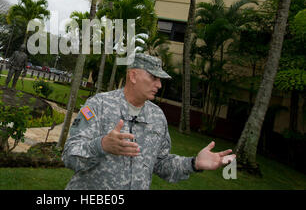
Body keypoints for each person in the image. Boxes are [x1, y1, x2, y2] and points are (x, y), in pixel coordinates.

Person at [62, 53, 236, 190]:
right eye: (154, 77)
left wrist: (193, 163)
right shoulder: (98, 105)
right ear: (133, 76)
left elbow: (161, 163)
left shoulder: (157, 117)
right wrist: (102, 145)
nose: (159, 85)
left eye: (160, 80)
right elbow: (69, 155)